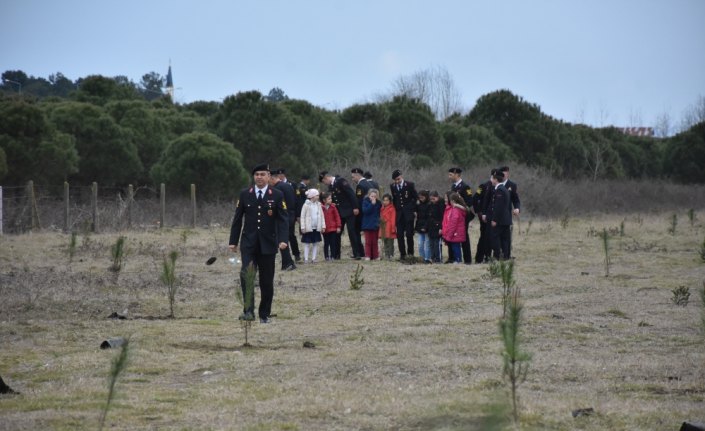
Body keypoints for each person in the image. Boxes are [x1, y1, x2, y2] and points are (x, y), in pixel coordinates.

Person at [229, 163, 289, 324]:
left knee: (266, 281)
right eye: (257, 175)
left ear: (269, 176)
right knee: (246, 276)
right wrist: (233, 241)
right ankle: (248, 311)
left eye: (263, 174)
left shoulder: (276, 194)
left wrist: (283, 239)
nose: (259, 177)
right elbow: (237, 219)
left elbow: (283, 219)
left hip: (268, 244)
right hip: (248, 244)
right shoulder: (245, 194)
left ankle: (264, 314)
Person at [319, 171, 362, 260]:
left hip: (349, 210)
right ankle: (336, 254)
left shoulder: (341, 181)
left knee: (351, 232)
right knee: (337, 233)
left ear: (326, 178)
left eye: (323, 181)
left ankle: (357, 253)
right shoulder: (330, 186)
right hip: (339, 212)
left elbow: (350, 194)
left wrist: (355, 207)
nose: (324, 183)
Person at [270, 171, 297, 270]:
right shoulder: (288, 185)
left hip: (282, 217)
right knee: (285, 240)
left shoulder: (277, 189)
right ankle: (287, 263)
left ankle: (288, 263)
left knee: (282, 241)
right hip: (291, 215)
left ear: (273, 178)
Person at [448, 167, 475, 264]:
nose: (449, 177)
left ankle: (467, 260)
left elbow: (470, 201)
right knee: (452, 236)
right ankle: (453, 258)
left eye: (451, 174)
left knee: (464, 237)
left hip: (463, 216)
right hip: (454, 216)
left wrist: (460, 208)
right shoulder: (453, 187)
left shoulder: (465, 187)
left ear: (456, 174)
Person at [390, 169, 418, 261]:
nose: (397, 181)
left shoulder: (409, 184)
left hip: (408, 213)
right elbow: (395, 199)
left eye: (398, 179)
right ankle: (402, 254)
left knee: (409, 234)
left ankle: (410, 253)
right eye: (395, 180)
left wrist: (412, 208)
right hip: (399, 214)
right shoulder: (393, 186)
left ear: (401, 176)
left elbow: (415, 197)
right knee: (400, 235)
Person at [473, 168, 496, 264]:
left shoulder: (499, 187)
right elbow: (475, 199)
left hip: (494, 217)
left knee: (493, 237)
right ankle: (479, 257)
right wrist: (479, 212)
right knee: (484, 237)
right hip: (484, 217)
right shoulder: (483, 186)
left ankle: (490, 257)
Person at [489, 170, 512, 260]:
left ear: (495, 180)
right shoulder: (504, 189)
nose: (491, 180)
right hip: (505, 220)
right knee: (505, 240)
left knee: (496, 238)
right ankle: (505, 257)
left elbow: (499, 207)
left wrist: (495, 219)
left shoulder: (500, 190)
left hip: (500, 221)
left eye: (492, 178)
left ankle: (498, 256)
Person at [299, 188, 325, 263]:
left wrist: (323, 226)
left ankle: (314, 258)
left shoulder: (319, 205)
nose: (318, 196)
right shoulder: (306, 205)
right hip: (308, 228)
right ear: (312, 196)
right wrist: (303, 227)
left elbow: (322, 216)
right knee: (307, 244)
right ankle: (306, 259)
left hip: (316, 228)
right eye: (317, 195)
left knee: (315, 243)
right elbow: (302, 217)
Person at [442, 191, 469, 264]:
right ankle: (457, 260)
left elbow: (453, 223)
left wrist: (449, 235)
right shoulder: (460, 209)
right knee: (456, 247)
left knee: (455, 247)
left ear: (453, 201)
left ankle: (458, 260)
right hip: (457, 232)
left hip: (455, 233)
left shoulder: (456, 210)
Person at [351, 168, 372, 258]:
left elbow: (359, 200)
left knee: (356, 232)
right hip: (369, 211)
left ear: (357, 175)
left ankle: (360, 252)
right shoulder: (369, 183)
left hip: (361, 213)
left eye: (353, 177)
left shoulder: (360, 185)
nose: (352, 179)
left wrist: (356, 210)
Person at [361, 188, 382, 260]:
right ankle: (368, 255)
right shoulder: (365, 202)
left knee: (375, 242)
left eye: (375, 196)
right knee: (368, 242)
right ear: (369, 196)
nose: (373, 198)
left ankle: (375, 256)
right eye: (372, 196)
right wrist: (372, 205)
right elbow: (365, 211)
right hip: (367, 225)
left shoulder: (379, 203)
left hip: (375, 225)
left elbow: (380, 213)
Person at [321, 192, 342, 261]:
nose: (331, 200)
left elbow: (337, 217)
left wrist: (338, 226)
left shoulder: (333, 207)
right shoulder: (321, 208)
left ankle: (333, 256)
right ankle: (326, 256)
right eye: (329, 199)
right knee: (326, 243)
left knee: (333, 243)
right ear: (324, 200)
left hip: (333, 229)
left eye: (331, 199)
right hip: (325, 229)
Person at [415, 190, 431, 263]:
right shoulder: (418, 204)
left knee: (427, 244)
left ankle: (427, 258)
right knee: (420, 243)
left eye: (422, 197)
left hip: (427, 227)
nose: (421, 199)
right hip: (419, 226)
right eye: (419, 197)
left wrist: (425, 227)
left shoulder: (429, 205)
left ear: (426, 197)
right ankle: (422, 257)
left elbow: (429, 217)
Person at [428, 191, 444, 263]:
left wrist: (440, 227)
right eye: (431, 199)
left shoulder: (441, 205)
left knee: (437, 244)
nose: (432, 201)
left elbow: (442, 217)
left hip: (438, 227)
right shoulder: (430, 205)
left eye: (433, 199)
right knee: (431, 244)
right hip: (431, 227)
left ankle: (438, 259)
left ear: (437, 197)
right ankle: (433, 258)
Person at [379, 193, 397, 260]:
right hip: (383, 227)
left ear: (390, 201)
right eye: (384, 200)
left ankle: (391, 255)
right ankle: (386, 255)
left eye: (387, 200)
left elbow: (393, 219)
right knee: (385, 242)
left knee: (390, 243)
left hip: (389, 227)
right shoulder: (382, 208)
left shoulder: (392, 209)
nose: (385, 202)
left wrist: (393, 228)